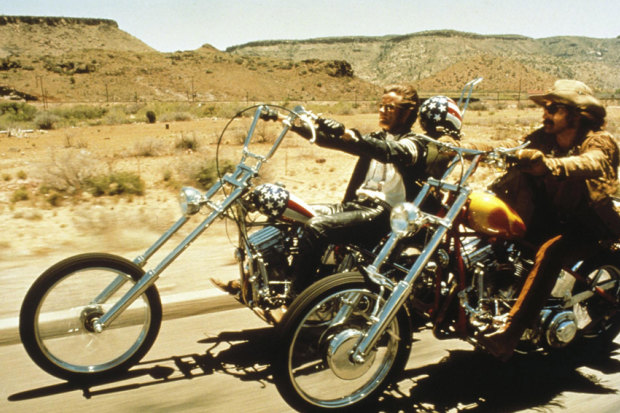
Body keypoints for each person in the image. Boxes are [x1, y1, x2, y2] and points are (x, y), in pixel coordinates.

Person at [473, 79, 620, 360]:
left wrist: (549, 165)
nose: (545, 114)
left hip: (590, 224)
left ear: (576, 114)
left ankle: (510, 333)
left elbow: (593, 162)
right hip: (554, 217)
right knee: (499, 231)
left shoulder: (599, 140)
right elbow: (509, 146)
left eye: (553, 108)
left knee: (551, 252)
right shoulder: (545, 137)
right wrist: (464, 146)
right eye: (546, 108)